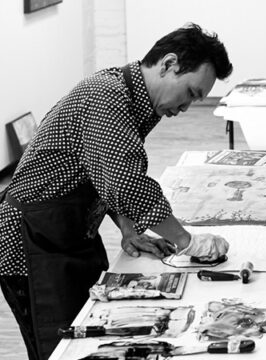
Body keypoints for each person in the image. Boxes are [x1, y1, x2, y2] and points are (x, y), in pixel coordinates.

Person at [0, 23, 232, 360]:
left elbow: (106, 171)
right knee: (62, 346)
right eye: (192, 93)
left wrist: (128, 228)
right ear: (168, 64)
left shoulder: (136, 99)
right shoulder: (107, 96)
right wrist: (187, 241)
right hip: (30, 240)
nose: (186, 108)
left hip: (67, 229)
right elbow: (126, 181)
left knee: (94, 331)